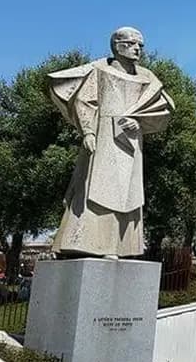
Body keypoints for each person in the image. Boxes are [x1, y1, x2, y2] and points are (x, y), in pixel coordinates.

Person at [48, 27, 174, 258]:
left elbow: (161, 111)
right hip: (103, 136)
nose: (138, 49)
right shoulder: (99, 70)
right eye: (133, 43)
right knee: (94, 188)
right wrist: (88, 132)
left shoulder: (148, 78)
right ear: (118, 45)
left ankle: (118, 247)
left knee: (128, 193)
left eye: (141, 45)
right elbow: (85, 102)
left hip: (131, 143)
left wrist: (140, 124)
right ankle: (85, 245)